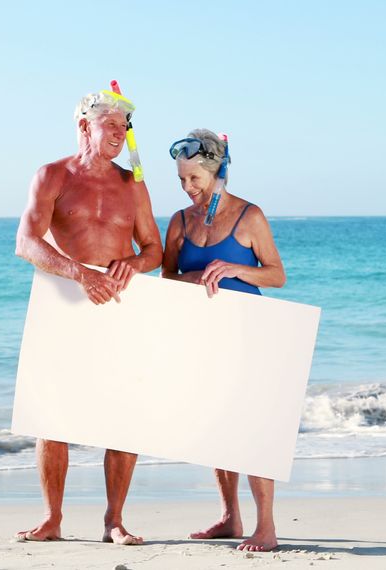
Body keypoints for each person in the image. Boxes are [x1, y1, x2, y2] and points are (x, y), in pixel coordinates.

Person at [13, 91, 163, 545]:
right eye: (111, 126)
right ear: (85, 127)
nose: (120, 134)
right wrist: (79, 272)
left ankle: (114, 520)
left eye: (125, 128)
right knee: (52, 416)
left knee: (123, 413)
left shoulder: (133, 183)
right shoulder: (52, 175)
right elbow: (26, 242)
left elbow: (154, 248)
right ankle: (52, 518)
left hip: (118, 306)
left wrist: (132, 265)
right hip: (67, 305)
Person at [161, 129, 287, 551]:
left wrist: (235, 270)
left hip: (249, 334)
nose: (188, 188)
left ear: (217, 173)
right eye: (181, 180)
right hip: (202, 335)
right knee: (219, 425)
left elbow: (276, 275)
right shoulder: (179, 222)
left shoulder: (249, 216)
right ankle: (231, 518)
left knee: (253, 426)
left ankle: (265, 526)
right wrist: (191, 278)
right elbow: (167, 279)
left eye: (194, 179)